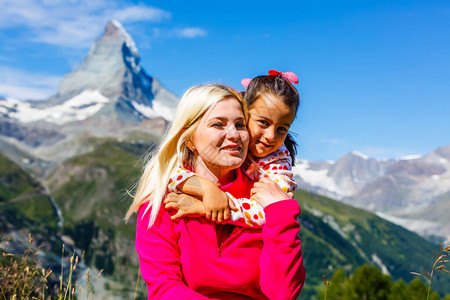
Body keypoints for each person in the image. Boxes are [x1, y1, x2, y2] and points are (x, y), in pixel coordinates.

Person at [125, 84, 305, 299]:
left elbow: (283, 293)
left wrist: (281, 212)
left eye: (240, 124)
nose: (234, 135)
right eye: (218, 124)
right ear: (189, 138)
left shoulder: (263, 198)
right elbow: (165, 288)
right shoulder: (160, 203)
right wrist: (204, 188)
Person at [164, 70, 300, 227]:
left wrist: (205, 207)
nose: (271, 136)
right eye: (263, 122)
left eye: (282, 129)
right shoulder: (223, 146)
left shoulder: (278, 165)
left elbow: (266, 212)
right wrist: (207, 189)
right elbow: (170, 175)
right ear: (243, 114)